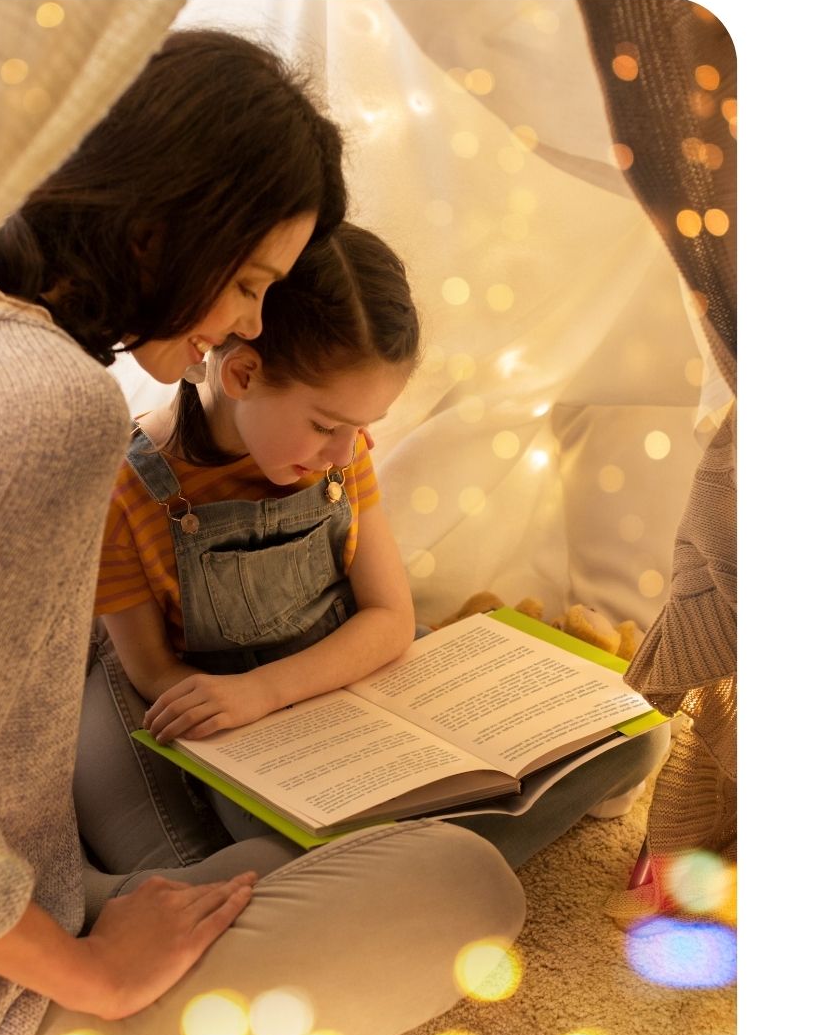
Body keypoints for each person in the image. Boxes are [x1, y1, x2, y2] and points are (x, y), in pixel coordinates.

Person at [0, 25, 525, 1035]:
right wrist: (88, 967)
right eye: (248, 282)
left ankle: (106, 903)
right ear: (153, 230)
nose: (250, 322)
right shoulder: (55, 410)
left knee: (275, 860)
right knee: (468, 882)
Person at [81, 219, 668, 883]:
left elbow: (389, 617)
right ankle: (435, 866)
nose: (346, 450)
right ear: (242, 372)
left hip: (360, 680)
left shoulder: (340, 454)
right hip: (247, 728)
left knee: (638, 734)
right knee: (278, 847)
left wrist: (277, 685)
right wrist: (252, 698)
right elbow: (152, 673)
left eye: (361, 428)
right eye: (326, 425)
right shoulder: (126, 489)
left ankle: (415, 870)